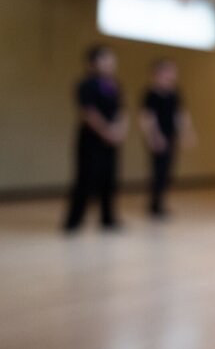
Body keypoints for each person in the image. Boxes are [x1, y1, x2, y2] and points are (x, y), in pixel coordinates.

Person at [64, 45, 126, 232]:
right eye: (105, 59)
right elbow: (88, 112)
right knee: (85, 179)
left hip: (112, 140)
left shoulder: (115, 85)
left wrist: (119, 130)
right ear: (93, 63)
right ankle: (73, 221)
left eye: (111, 59)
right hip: (91, 140)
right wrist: (106, 131)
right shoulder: (86, 84)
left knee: (109, 179)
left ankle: (108, 218)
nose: (110, 63)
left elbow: (122, 111)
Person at [139, 59, 193, 218]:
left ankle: (160, 202)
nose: (173, 75)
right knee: (158, 171)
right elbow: (146, 117)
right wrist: (154, 136)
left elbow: (180, 115)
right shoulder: (151, 94)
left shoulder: (174, 93)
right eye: (170, 71)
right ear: (159, 73)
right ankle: (155, 205)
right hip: (158, 137)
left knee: (167, 171)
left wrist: (187, 133)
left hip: (170, 136)